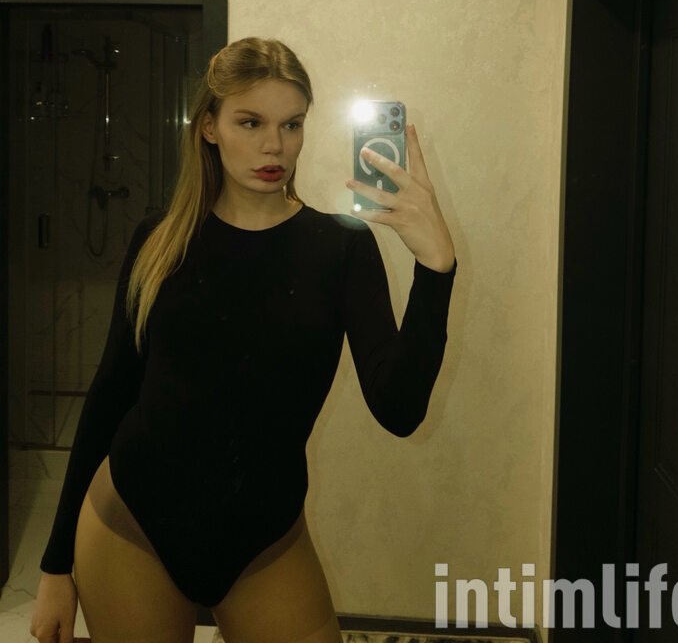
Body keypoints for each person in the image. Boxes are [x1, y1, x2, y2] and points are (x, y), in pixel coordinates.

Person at [30, 36, 457, 643]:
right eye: (250, 122)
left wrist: (436, 269)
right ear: (209, 127)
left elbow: (399, 409)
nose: (273, 146)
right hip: (132, 525)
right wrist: (55, 566)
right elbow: (110, 394)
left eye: (291, 124)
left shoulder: (341, 247)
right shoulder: (159, 241)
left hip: (266, 540)